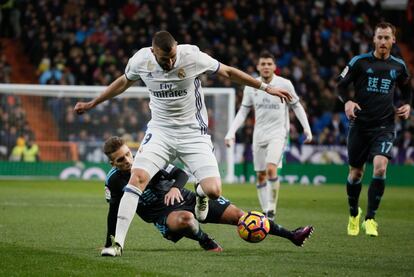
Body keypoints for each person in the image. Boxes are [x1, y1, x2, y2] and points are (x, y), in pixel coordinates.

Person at [74, 31, 292, 255]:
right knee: (137, 178)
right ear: (152, 52)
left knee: (214, 191)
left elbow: (227, 71)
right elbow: (122, 82)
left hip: (193, 133)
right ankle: (117, 245)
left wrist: (267, 88)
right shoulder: (140, 60)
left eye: (172, 57)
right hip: (160, 132)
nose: (169, 62)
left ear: (177, 47)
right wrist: (93, 103)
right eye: (163, 59)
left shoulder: (192, 56)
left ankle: (200, 195)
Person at [100, 136, 314, 256]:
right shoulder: (113, 181)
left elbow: (180, 173)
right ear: (113, 163)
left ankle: (291, 236)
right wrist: (110, 241)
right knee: (186, 220)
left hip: (187, 197)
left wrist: (175, 188)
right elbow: (114, 211)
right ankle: (205, 240)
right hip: (162, 216)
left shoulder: (148, 159)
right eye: (121, 159)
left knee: (241, 216)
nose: (128, 160)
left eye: (128, 154)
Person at [337, 22, 412, 237]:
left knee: (380, 168)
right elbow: (340, 85)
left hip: (385, 125)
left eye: (387, 38)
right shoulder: (359, 62)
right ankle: (354, 213)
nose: (383, 41)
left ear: (393, 40)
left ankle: (370, 218)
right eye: (379, 37)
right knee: (355, 173)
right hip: (360, 125)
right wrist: (348, 101)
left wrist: (407, 104)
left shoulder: (399, 66)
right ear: (374, 39)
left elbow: (407, 88)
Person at [224, 51, 312, 220]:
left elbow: (297, 106)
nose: (266, 67)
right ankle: (265, 211)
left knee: (271, 169)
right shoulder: (252, 85)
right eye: (262, 64)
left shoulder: (284, 84)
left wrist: (306, 128)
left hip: (278, 133)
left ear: (274, 67)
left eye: (269, 64)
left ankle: (271, 210)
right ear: (258, 67)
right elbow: (243, 112)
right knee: (260, 175)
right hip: (259, 135)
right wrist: (231, 133)